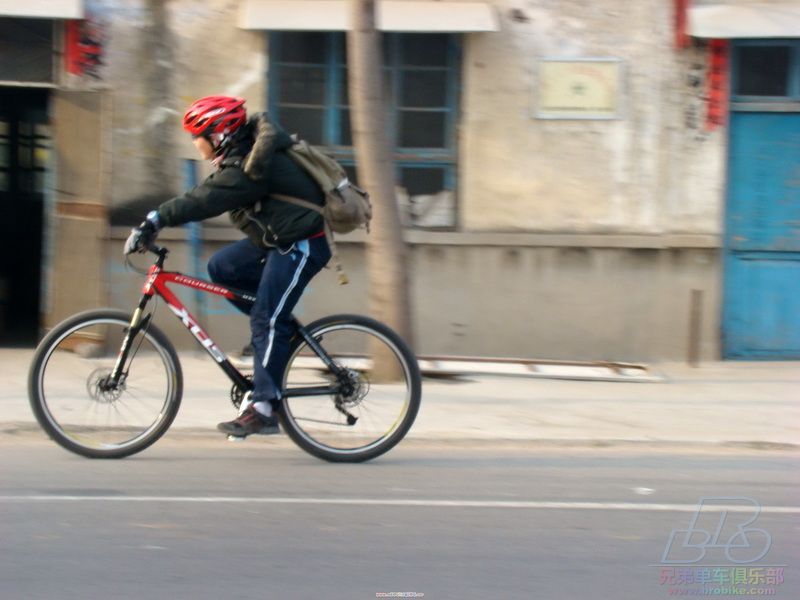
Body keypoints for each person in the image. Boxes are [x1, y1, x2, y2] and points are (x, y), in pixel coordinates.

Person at [124, 95, 331, 437]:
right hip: (277, 237)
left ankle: (264, 408)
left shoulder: (253, 164)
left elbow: (206, 199)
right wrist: (157, 219)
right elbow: (207, 191)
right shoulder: (241, 158)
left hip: (302, 243)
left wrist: (155, 219)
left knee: (266, 317)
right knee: (223, 268)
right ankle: (277, 334)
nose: (195, 143)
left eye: (197, 135)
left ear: (218, 134)